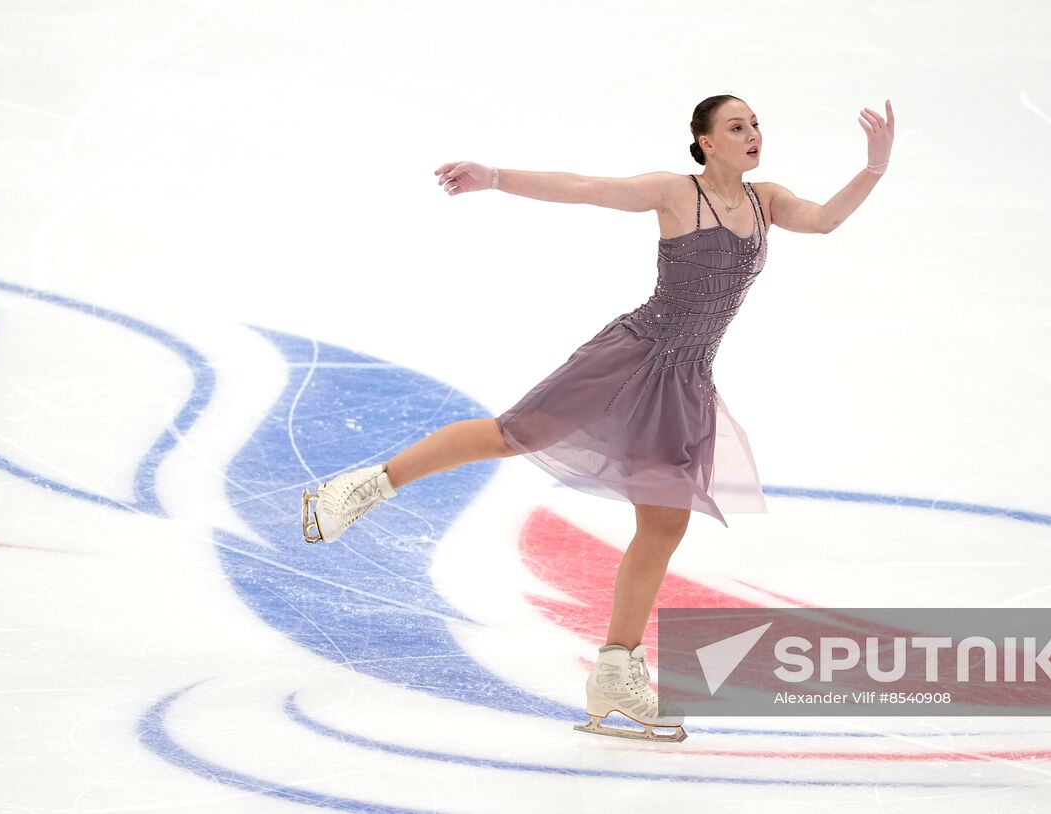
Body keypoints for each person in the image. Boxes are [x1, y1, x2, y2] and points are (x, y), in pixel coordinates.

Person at [300, 94, 895, 742]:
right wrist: (495, 177)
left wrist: (873, 170)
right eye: (736, 126)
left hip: (686, 378)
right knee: (510, 435)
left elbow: (825, 219)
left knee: (665, 525)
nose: (752, 134)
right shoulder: (676, 193)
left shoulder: (766, 201)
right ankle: (359, 488)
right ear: (704, 141)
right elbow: (587, 189)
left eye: (755, 125)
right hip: (632, 356)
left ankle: (615, 669)